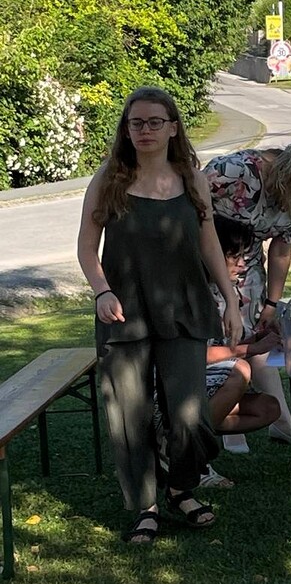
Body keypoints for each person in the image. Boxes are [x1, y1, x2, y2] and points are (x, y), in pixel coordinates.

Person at [77, 86, 243, 544]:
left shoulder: (192, 178)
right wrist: (101, 291)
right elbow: (87, 248)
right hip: (123, 312)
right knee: (128, 414)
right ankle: (145, 507)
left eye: (154, 122)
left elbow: (209, 243)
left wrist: (230, 299)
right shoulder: (109, 178)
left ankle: (179, 487)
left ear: (173, 128)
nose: (144, 130)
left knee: (190, 415)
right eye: (136, 123)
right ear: (126, 129)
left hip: (184, 307)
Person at [204, 139, 291, 448]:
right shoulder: (235, 170)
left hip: (246, 271)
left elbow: (281, 250)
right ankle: (224, 425)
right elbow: (186, 205)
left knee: (254, 340)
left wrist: (271, 303)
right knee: (215, 342)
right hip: (204, 266)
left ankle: (280, 423)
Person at [156, 216, 282, 489]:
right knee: (239, 371)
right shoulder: (186, 294)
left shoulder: (216, 291)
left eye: (244, 256)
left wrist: (260, 338)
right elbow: (193, 355)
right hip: (167, 394)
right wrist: (251, 348)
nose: (243, 264)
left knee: (269, 408)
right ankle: (186, 458)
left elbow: (218, 347)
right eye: (234, 256)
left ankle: (176, 445)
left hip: (195, 389)